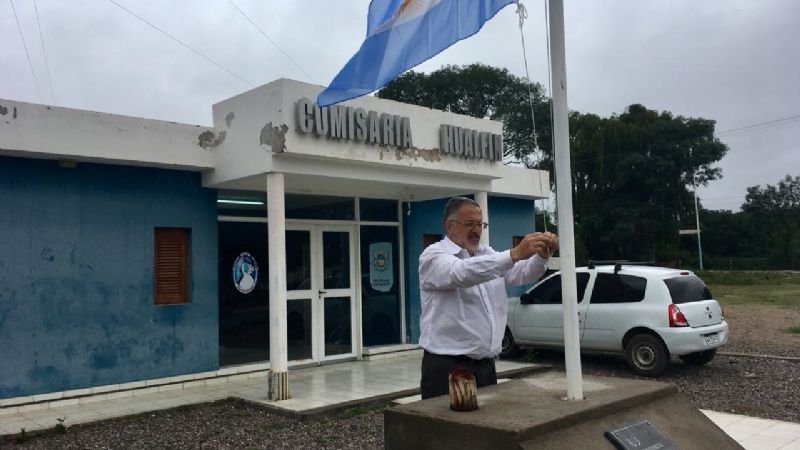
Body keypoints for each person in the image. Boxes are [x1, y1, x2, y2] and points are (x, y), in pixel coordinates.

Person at [418, 196, 559, 399]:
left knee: (486, 427)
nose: (476, 230)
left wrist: (542, 256)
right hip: (448, 366)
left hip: (485, 366)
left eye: (480, 224)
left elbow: (520, 274)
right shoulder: (433, 256)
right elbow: (461, 273)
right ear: (450, 226)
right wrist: (513, 254)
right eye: (470, 224)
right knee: (448, 428)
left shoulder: (485, 253)